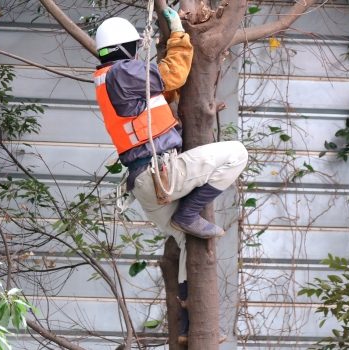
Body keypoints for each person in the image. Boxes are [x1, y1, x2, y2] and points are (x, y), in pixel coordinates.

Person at [93, 9, 248, 343]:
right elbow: (174, 73)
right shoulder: (124, 72)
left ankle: (186, 326)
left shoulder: (108, 79)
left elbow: (156, 99)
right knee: (237, 153)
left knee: (181, 239)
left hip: (143, 182)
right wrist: (179, 33)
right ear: (127, 48)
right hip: (161, 172)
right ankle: (189, 212)